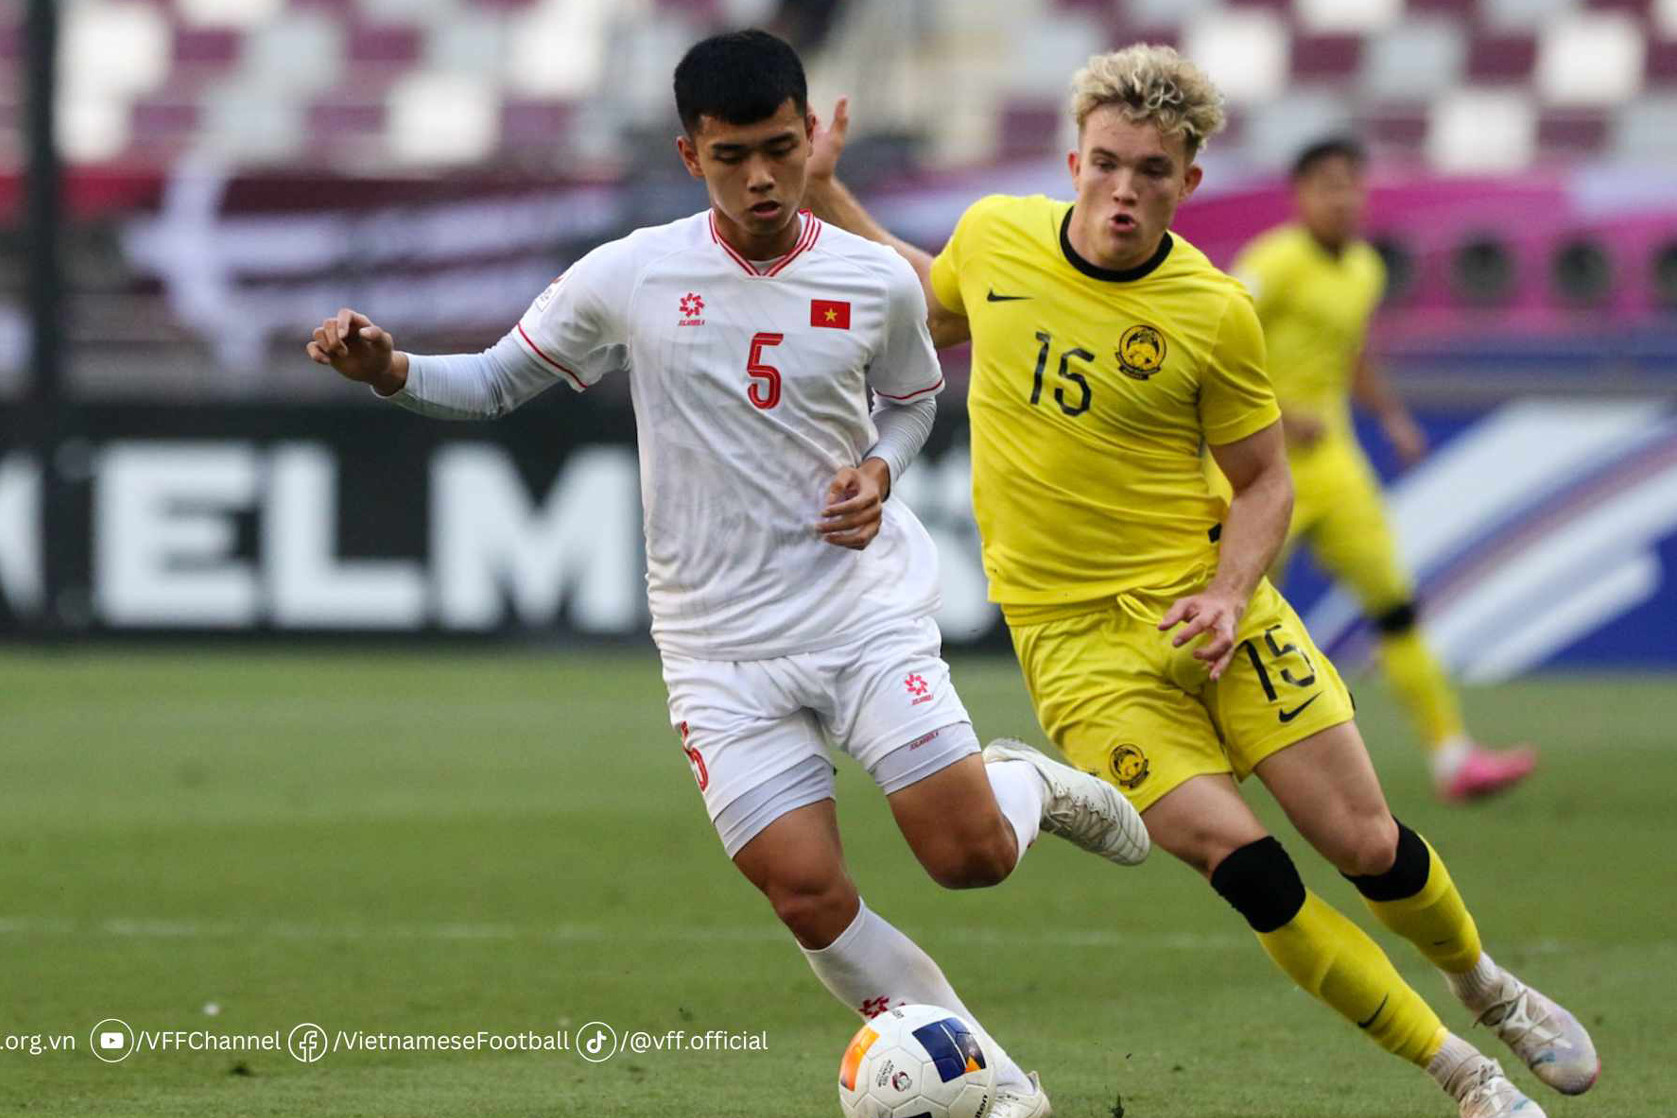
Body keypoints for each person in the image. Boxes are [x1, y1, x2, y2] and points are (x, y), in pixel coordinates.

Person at [305, 30, 1151, 1118]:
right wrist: (391, 371)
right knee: (806, 892)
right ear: (689, 152)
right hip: (717, 648)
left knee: (969, 857)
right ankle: (997, 1082)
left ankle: (1023, 781)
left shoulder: (873, 279)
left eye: (781, 149)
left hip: (858, 616)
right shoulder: (634, 272)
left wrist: (881, 471)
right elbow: (495, 382)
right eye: (732, 155)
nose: (760, 177)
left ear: (809, 139)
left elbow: (914, 399)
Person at [802, 43, 1596, 1118]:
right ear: (1072, 156)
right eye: (1108, 164)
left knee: (1365, 842)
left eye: (1153, 172)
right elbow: (928, 298)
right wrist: (822, 191)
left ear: (1190, 181)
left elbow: (1267, 481)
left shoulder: (1211, 311)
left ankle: (1485, 984)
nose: (1125, 191)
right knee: (1253, 871)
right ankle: (1465, 1074)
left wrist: (1227, 592)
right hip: (1079, 649)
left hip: (1207, 607)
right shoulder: (997, 236)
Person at [1228, 137, 1535, 800]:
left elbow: (1351, 354)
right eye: (1327, 186)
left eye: (1351, 186)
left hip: (1333, 464)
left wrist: (1392, 419)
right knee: (1226, 618)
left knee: (1394, 605)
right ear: (1300, 194)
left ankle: (1452, 756)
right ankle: (1186, 763)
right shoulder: (1271, 265)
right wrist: (1276, 411)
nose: (1341, 199)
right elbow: (1212, 345)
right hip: (1250, 467)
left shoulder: (1363, 268)